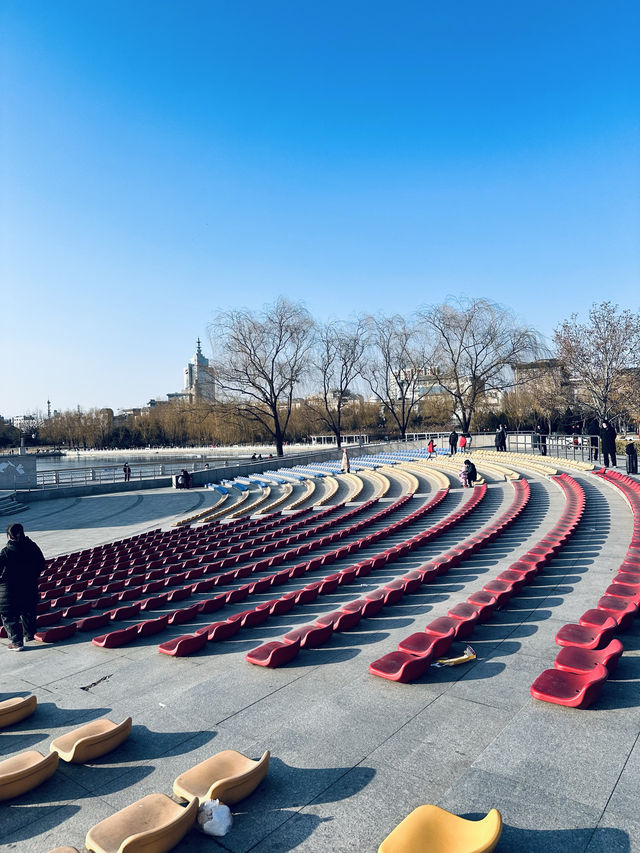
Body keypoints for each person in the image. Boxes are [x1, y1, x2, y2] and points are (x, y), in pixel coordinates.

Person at [0, 523, 44, 650]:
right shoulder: (32, 546)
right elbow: (41, 563)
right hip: (29, 586)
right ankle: (30, 635)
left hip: (10, 589)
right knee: (28, 611)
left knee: (9, 616)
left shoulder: (6, 552)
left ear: (9, 536)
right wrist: (32, 575)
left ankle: (16, 642)